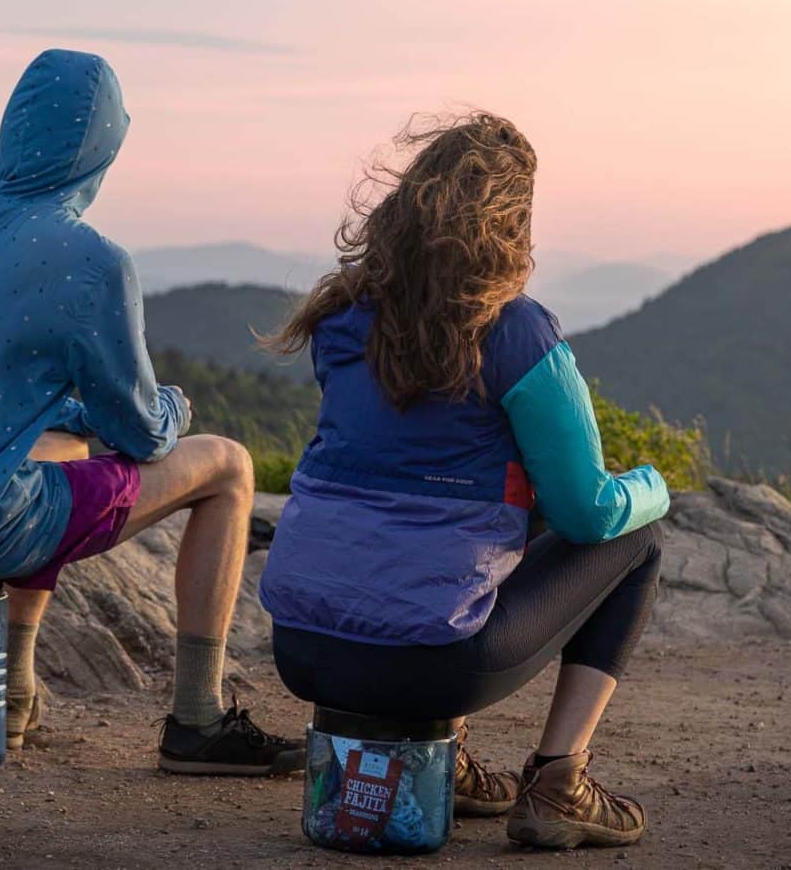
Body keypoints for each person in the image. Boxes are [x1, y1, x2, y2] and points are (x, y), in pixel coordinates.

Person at [0, 49, 303, 776]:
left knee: (53, 451)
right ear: (104, 145)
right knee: (231, 468)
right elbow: (142, 429)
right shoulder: (93, 261)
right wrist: (175, 405)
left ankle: (12, 689)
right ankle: (198, 719)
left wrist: (77, 418)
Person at [259, 112, 669, 848]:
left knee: (454, 523)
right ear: (510, 222)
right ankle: (559, 782)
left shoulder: (342, 317)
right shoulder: (515, 332)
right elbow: (587, 510)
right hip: (430, 665)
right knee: (636, 537)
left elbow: (394, 467)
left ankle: (452, 756)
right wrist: (654, 486)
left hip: (304, 648)